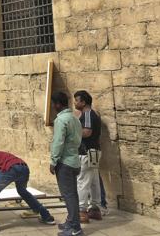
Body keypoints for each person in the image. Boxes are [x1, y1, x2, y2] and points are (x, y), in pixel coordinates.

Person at [50, 92, 83, 236]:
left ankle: (75, 228)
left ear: (57, 104)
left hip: (65, 163)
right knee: (73, 195)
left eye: (53, 104)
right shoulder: (75, 118)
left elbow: (58, 142)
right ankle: (71, 221)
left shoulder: (61, 120)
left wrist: (53, 161)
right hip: (75, 161)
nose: (52, 107)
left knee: (69, 195)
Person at [74, 90, 103, 223]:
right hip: (94, 152)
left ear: (83, 102)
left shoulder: (87, 114)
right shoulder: (93, 114)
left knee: (83, 181)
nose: (75, 102)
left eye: (77, 100)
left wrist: (72, 133)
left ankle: (82, 211)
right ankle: (95, 209)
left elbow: (87, 132)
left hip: (86, 153)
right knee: (93, 181)